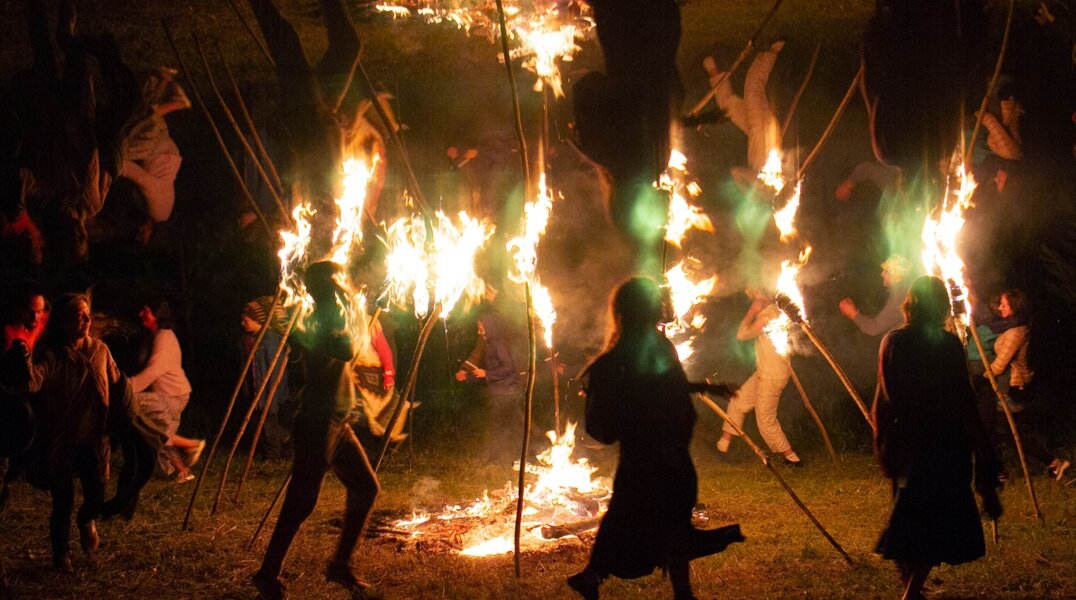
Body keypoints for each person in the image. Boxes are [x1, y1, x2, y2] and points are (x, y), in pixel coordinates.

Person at [568, 277, 743, 600]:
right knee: (668, 524)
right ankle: (679, 592)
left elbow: (664, 385)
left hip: (644, 456)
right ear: (650, 310)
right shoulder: (654, 349)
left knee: (632, 517)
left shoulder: (616, 359)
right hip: (663, 455)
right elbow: (655, 390)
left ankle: (594, 577)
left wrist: (703, 386)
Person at [252, 261, 380, 600]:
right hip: (318, 422)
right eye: (339, 279)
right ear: (328, 285)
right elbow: (346, 349)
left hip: (337, 421)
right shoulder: (318, 318)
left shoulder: (327, 314)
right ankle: (268, 574)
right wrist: (352, 308)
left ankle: (340, 564)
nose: (345, 283)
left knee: (365, 487)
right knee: (301, 501)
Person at [872, 276, 1002, 600]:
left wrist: (882, 442)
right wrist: (981, 447)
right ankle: (912, 591)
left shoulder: (894, 341)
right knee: (923, 522)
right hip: (943, 443)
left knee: (916, 521)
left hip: (911, 443)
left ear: (910, 303)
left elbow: (883, 400)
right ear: (941, 306)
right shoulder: (946, 344)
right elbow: (964, 402)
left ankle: (912, 591)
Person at [16, 294, 119, 572]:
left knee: (96, 495)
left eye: (87, 314)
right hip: (63, 442)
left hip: (95, 439)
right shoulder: (54, 357)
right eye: (78, 314)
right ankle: (61, 556)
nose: (86, 319)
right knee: (63, 501)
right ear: (63, 322)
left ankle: (86, 519)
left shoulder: (100, 351)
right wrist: (23, 360)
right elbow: (32, 383)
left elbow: (117, 383)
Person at [986, 289, 1069, 480]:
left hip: (1013, 387)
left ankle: (1053, 463)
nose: (1000, 307)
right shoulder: (1013, 327)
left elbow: (1000, 364)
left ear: (1014, 307)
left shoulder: (1017, 332)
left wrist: (983, 375)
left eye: (1004, 305)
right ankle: (1053, 463)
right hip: (1010, 385)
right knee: (1011, 432)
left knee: (1010, 433)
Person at [716, 289, 802, 466]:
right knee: (737, 401)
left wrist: (751, 312)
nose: (748, 293)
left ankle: (792, 458)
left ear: (761, 293)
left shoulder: (768, 316)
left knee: (765, 418)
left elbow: (742, 335)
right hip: (764, 372)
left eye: (752, 290)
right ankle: (722, 447)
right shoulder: (774, 312)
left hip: (772, 375)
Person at [128, 300, 203, 482]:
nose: (140, 314)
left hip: (172, 396)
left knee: (134, 403)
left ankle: (191, 444)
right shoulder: (157, 336)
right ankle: (183, 471)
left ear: (157, 315)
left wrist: (124, 386)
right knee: (158, 434)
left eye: (145, 310)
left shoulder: (164, 338)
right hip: (172, 394)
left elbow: (152, 372)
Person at [454, 306, 523, 460]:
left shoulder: (498, 343)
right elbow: (480, 366)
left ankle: (510, 455)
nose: (479, 328)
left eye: (482, 325)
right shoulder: (486, 343)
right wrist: (466, 375)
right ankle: (499, 455)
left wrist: (487, 374)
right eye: (479, 325)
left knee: (507, 425)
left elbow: (508, 367)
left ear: (490, 326)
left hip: (507, 391)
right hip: (499, 390)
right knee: (501, 425)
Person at [241, 296, 291, 459]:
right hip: (260, 394)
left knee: (269, 425)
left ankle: (273, 456)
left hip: (269, 394)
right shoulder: (255, 340)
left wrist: (271, 398)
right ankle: (285, 444)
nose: (243, 323)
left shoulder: (270, 341)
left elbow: (275, 372)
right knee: (265, 424)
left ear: (259, 321)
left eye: (246, 320)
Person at [839, 254, 912, 337]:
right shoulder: (904, 293)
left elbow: (874, 328)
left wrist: (853, 313)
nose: (882, 274)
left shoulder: (900, 298)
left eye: (886, 271)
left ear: (896, 276)